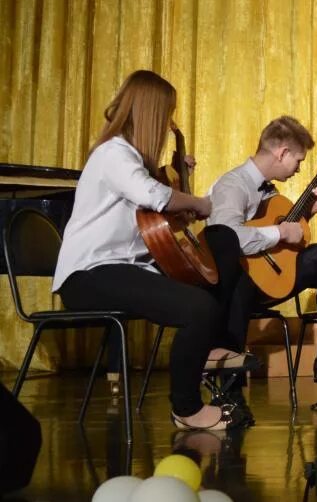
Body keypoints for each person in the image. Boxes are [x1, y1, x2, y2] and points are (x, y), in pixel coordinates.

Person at [52, 70, 236, 430]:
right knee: (198, 307)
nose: (170, 125)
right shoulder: (114, 153)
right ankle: (187, 409)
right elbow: (152, 195)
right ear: (152, 113)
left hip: (122, 270)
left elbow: (151, 214)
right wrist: (198, 203)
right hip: (90, 275)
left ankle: (212, 345)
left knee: (217, 261)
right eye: (167, 114)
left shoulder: (131, 160)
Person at [205, 116, 317, 400]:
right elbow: (227, 240)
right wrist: (279, 232)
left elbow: (279, 236)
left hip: (271, 273)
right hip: (240, 281)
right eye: (298, 160)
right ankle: (230, 393)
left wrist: (307, 214)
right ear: (282, 152)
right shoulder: (233, 185)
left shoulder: (268, 188)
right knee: (237, 284)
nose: (299, 168)